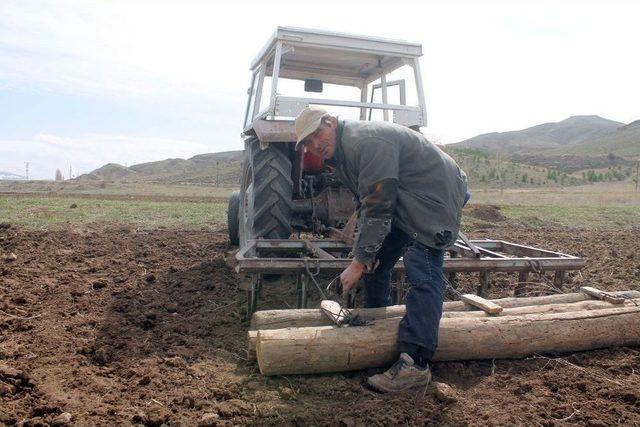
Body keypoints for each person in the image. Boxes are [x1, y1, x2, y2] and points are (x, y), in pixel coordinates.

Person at [294, 106, 468, 393]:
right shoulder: (343, 153)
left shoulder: (366, 141)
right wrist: (366, 254)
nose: (316, 145)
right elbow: (367, 204)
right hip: (408, 198)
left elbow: (379, 208)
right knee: (378, 261)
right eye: (309, 143)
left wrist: (357, 262)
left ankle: (416, 364)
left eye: (318, 134)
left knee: (421, 266)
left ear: (332, 122)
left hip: (437, 194)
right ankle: (373, 323)